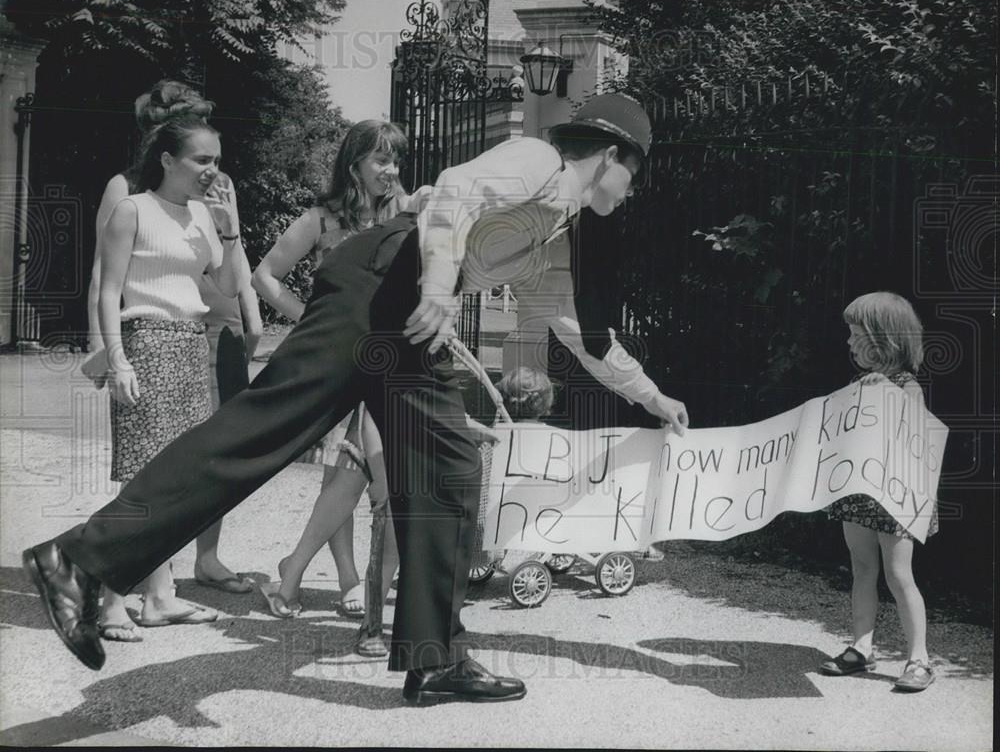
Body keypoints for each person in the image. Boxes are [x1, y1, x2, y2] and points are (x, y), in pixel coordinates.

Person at [24, 94, 688, 705]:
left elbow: (583, 336)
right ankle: (78, 561)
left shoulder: (553, 236)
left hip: (410, 315)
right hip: (383, 286)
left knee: (450, 468)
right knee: (258, 432)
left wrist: (653, 396)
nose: (632, 191)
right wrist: (437, 286)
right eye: (635, 173)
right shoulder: (541, 162)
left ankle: (435, 657)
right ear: (611, 155)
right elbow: (457, 188)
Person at [83, 82, 260, 644]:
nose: (213, 171)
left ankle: (160, 596)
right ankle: (112, 598)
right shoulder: (132, 207)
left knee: (179, 478)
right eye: (202, 160)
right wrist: (114, 358)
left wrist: (230, 231)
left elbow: (230, 287)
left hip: (188, 346)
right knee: (143, 481)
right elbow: (108, 289)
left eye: (217, 161)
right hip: (144, 343)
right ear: (167, 157)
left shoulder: (205, 218)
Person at [251, 120, 409, 619]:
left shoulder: (404, 213)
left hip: (387, 360)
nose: (391, 169)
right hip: (336, 362)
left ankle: (313, 574)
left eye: (396, 159)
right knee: (347, 470)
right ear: (354, 163)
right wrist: (309, 318)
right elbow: (264, 276)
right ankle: (339, 580)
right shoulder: (320, 219)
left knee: (351, 470)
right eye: (381, 159)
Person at [819, 291, 938, 692]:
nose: (849, 342)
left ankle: (919, 658)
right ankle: (862, 647)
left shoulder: (906, 386)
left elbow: (916, 432)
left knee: (898, 573)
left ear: (883, 339)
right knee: (862, 569)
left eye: (856, 334)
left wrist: (884, 391)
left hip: (895, 497)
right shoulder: (858, 384)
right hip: (859, 495)